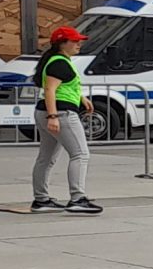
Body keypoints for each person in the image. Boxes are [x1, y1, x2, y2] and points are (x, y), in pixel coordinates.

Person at [30, 25, 101, 215]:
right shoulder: (59, 63)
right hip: (61, 113)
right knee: (80, 154)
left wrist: (81, 98)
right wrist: (53, 116)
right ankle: (78, 198)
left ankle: (41, 200)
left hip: (48, 111)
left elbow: (63, 87)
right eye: (74, 41)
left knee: (46, 158)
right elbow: (50, 89)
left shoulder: (56, 61)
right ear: (62, 43)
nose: (79, 44)